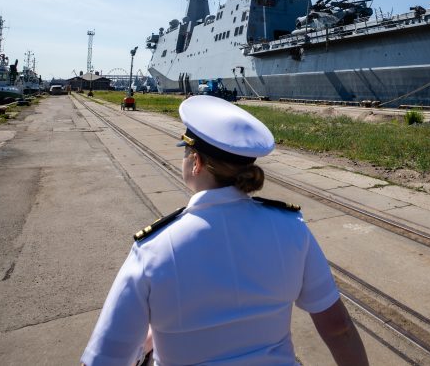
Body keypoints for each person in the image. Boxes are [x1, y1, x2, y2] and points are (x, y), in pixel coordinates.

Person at [81, 95, 368, 366]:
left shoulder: (153, 248)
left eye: (186, 153)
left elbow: (104, 359)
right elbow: (339, 329)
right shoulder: (292, 228)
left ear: (196, 163)